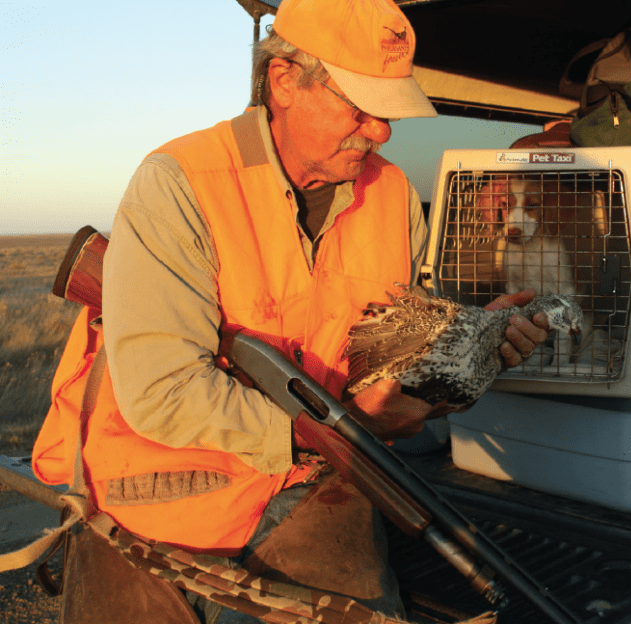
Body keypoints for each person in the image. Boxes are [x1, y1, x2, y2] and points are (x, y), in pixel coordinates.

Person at [33, 0, 549, 620]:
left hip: (315, 487)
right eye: (360, 107)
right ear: (284, 82)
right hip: (154, 494)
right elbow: (163, 394)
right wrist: (343, 432)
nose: (382, 131)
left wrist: (464, 355)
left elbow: (383, 358)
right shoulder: (179, 182)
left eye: (387, 111)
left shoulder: (391, 197)